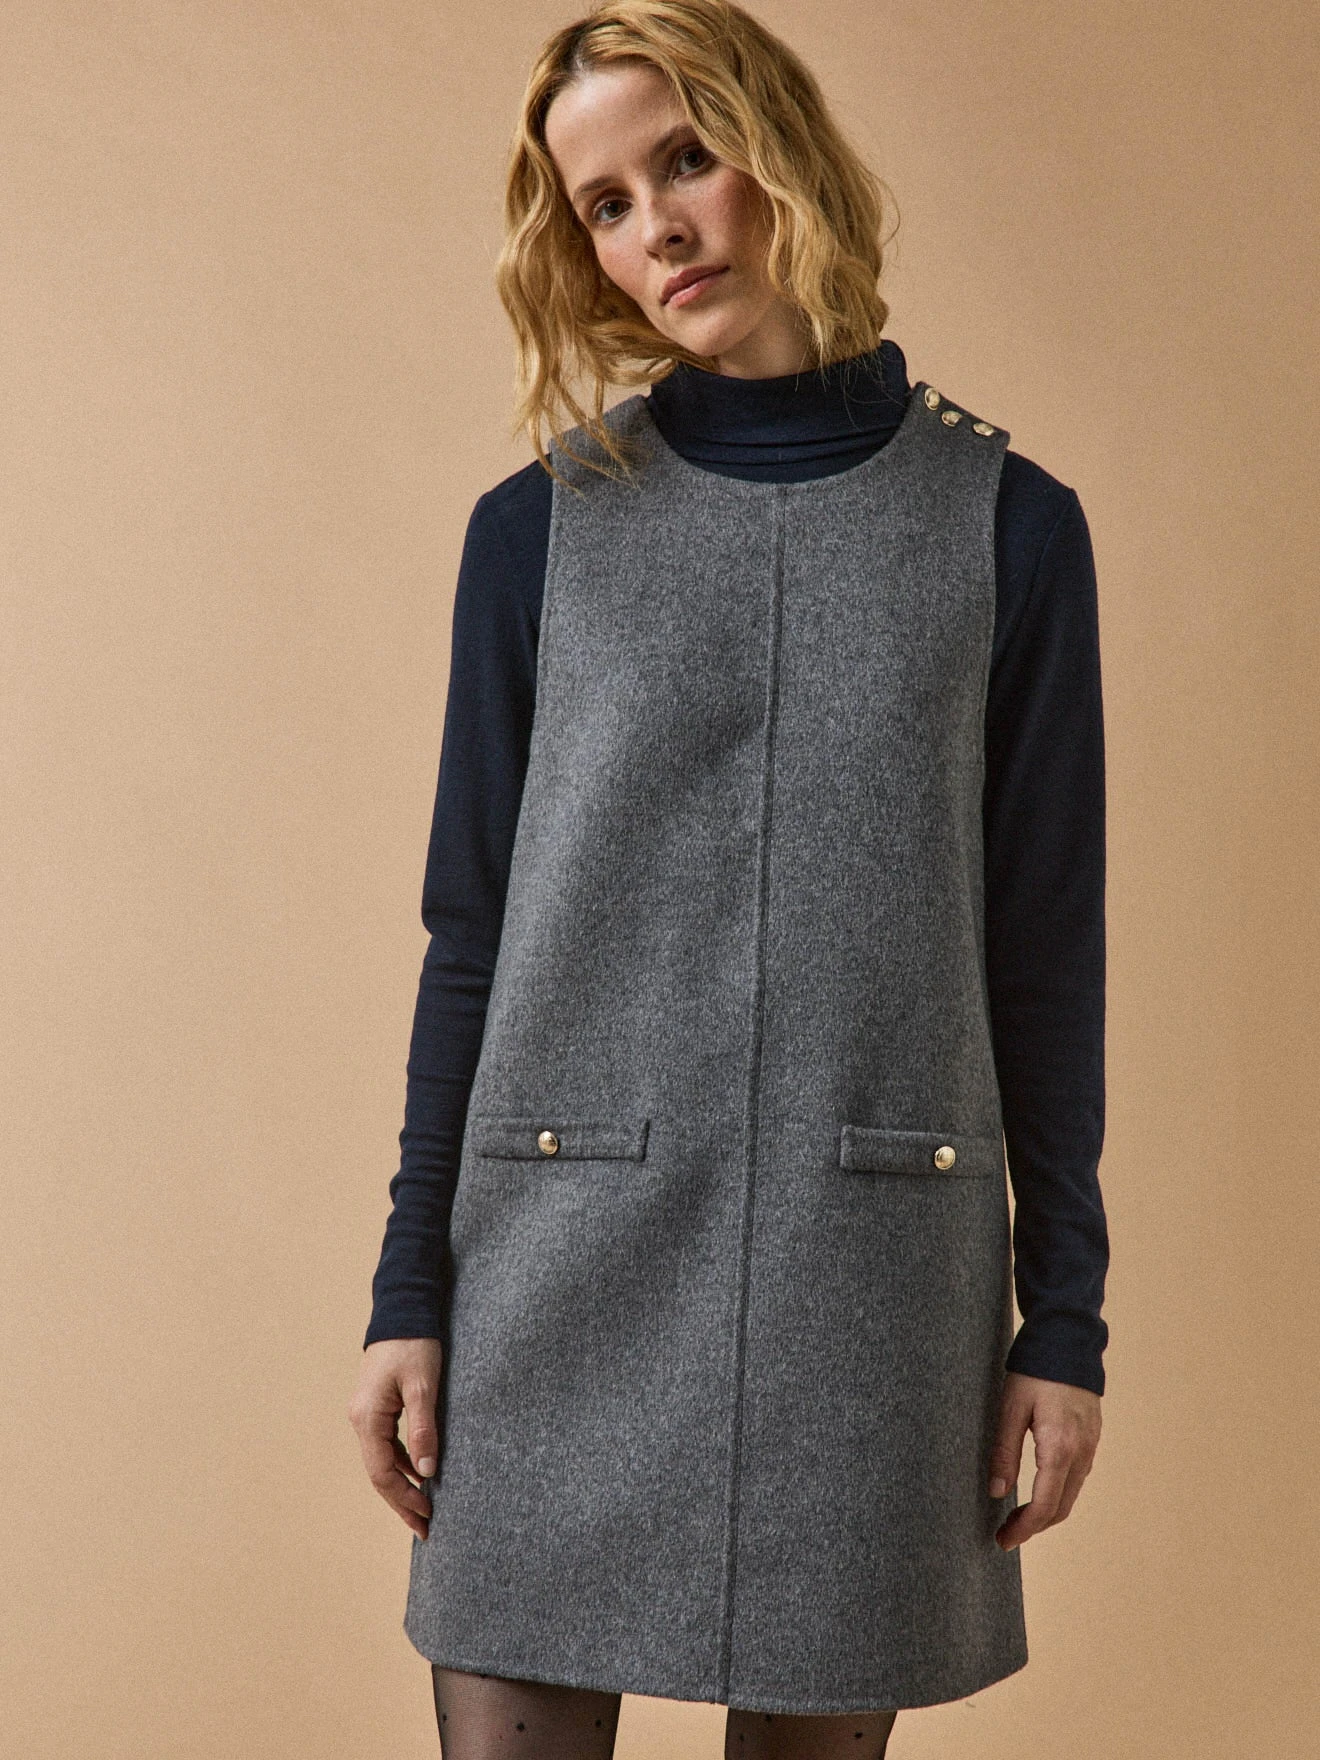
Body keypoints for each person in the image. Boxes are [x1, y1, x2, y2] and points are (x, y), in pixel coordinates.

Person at [348, 3, 1109, 1755]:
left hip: (873, 1280)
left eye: (685, 158)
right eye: (605, 205)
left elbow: (1042, 950)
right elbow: (470, 937)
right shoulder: (537, 532)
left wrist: (1062, 1319)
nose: (659, 229)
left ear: (783, 147)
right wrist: (408, 1291)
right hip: (553, 1270)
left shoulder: (1011, 528)